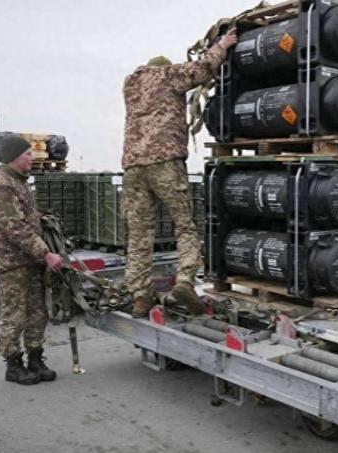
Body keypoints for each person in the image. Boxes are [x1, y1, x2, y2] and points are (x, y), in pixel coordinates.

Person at [121, 27, 238, 318]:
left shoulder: (130, 85)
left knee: (139, 235)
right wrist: (222, 45)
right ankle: (185, 282)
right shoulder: (168, 75)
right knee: (184, 225)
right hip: (165, 162)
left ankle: (140, 298)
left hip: (133, 166)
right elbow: (202, 69)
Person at [0, 135, 64, 385]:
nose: (32, 158)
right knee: (14, 315)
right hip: (14, 262)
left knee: (37, 313)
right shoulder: (0, 186)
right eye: (28, 154)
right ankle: (14, 364)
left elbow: (27, 219)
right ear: (15, 157)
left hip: (30, 261)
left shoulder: (19, 183)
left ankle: (36, 358)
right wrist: (46, 253)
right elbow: (15, 228)